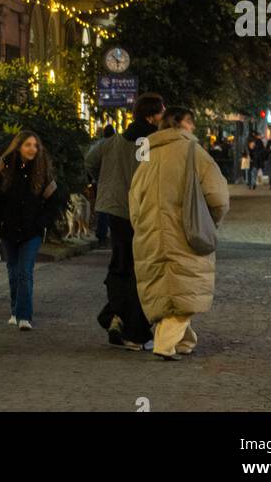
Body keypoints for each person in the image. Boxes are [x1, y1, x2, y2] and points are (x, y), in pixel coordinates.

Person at [129, 113, 230, 360]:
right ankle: (164, 343)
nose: (194, 126)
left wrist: (142, 226)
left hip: (150, 233)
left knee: (168, 288)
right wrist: (210, 220)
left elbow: (134, 199)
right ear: (182, 124)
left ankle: (183, 341)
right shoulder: (194, 153)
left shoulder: (148, 155)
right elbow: (218, 197)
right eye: (191, 121)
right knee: (184, 287)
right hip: (185, 231)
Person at [85, 91, 165, 350]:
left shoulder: (115, 141)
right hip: (143, 210)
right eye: (161, 113)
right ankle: (130, 326)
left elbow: (90, 159)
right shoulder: (154, 142)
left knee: (122, 264)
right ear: (151, 116)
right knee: (140, 268)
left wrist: (103, 181)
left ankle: (115, 316)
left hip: (116, 209)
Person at [0, 129, 57, 330]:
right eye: (28, 145)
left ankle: (24, 316)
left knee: (25, 272)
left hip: (31, 231)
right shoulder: (6, 171)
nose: (32, 149)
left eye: (35, 145)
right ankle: (14, 310)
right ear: (18, 147)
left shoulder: (43, 173)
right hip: (8, 230)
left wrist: (41, 223)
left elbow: (52, 203)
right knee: (13, 271)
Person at [86, 124, 116, 245]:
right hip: (115, 180)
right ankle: (112, 234)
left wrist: (95, 177)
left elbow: (89, 162)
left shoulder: (99, 146)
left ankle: (101, 234)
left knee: (102, 208)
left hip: (101, 181)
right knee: (115, 209)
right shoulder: (117, 146)